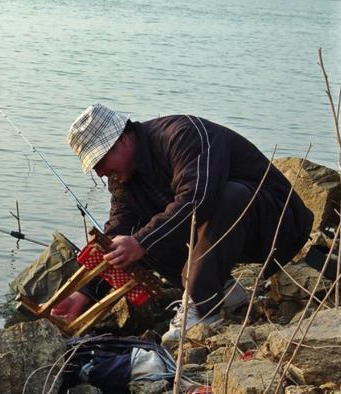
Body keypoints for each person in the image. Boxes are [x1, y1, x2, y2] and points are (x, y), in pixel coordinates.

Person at [52, 104, 313, 342]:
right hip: (233, 235)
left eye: (99, 161)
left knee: (216, 200)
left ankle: (202, 306)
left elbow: (198, 200)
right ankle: (222, 290)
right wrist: (84, 293)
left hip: (279, 224)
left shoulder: (182, 135)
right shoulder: (123, 179)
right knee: (131, 238)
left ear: (121, 139)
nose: (98, 172)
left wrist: (142, 242)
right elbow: (119, 230)